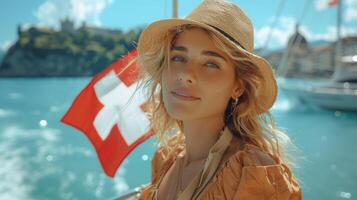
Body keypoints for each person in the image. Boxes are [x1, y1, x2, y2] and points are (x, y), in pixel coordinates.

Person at [135, 0, 302, 199]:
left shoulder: (254, 173)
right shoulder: (165, 158)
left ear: (238, 86)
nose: (186, 74)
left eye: (211, 64)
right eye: (178, 58)